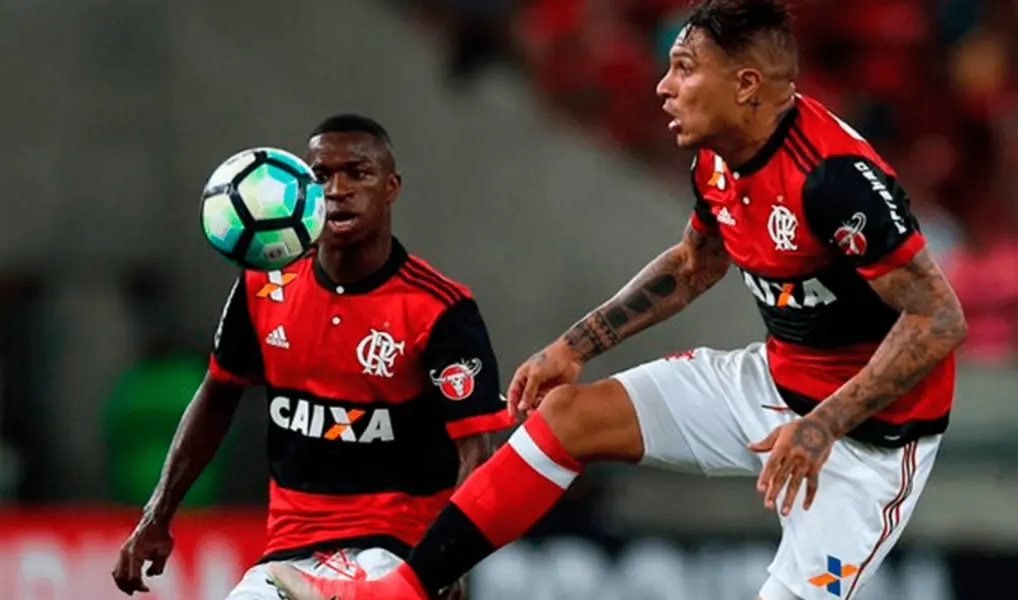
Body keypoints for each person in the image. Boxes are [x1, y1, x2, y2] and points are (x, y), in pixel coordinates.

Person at [268, 1, 968, 599]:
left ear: (747, 84)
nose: (663, 85)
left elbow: (939, 317)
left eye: (685, 69)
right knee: (568, 415)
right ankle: (401, 593)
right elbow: (696, 264)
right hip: (771, 383)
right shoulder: (717, 153)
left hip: (870, 437)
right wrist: (574, 346)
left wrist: (823, 425)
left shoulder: (833, 181)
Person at [111, 114, 515, 599]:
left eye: (357, 173)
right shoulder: (264, 283)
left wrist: (446, 559)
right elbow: (218, 394)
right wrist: (157, 514)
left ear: (391, 187)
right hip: (287, 552)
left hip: (397, 550)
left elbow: (477, 450)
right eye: (321, 176)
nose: (337, 189)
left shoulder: (439, 309)